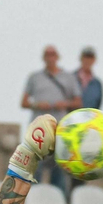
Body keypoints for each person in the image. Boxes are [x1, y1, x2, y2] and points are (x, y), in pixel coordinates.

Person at [20, 45, 80, 190]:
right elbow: (24, 102)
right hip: (39, 130)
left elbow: (78, 102)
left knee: (59, 169)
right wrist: (38, 105)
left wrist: (64, 104)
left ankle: (58, 196)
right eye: (47, 54)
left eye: (53, 54)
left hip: (59, 128)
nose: (50, 57)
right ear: (43, 58)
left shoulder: (68, 78)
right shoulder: (35, 77)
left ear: (57, 57)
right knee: (36, 167)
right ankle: (33, 196)